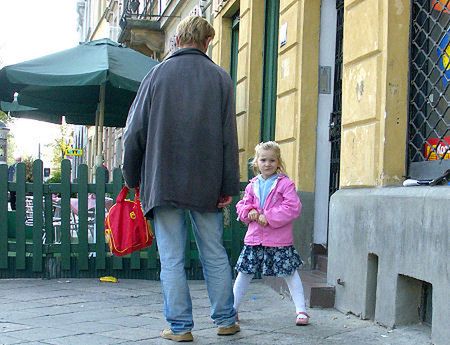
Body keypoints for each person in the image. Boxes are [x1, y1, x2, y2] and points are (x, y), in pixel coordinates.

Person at [122, 16, 240, 342]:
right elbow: (229, 137)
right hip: (207, 182)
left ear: (176, 40)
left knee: (171, 258)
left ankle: (180, 327)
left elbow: (133, 134)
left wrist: (132, 176)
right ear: (205, 42)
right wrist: (228, 185)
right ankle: (226, 320)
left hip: (163, 181)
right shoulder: (220, 78)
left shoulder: (155, 76)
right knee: (214, 253)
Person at [233, 141, 310, 326]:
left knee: (290, 273)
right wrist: (249, 210)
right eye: (263, 160)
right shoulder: (252, 185)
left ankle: (302, 311)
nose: (267, 164)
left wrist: (268, 216)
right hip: (255, 238)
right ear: (256, 163)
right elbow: (242, 205)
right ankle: (231, 310)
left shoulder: (285, 184)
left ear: (278, 162)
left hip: (279, 240)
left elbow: (293, 207)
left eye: (272, 160)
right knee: (244, 273)